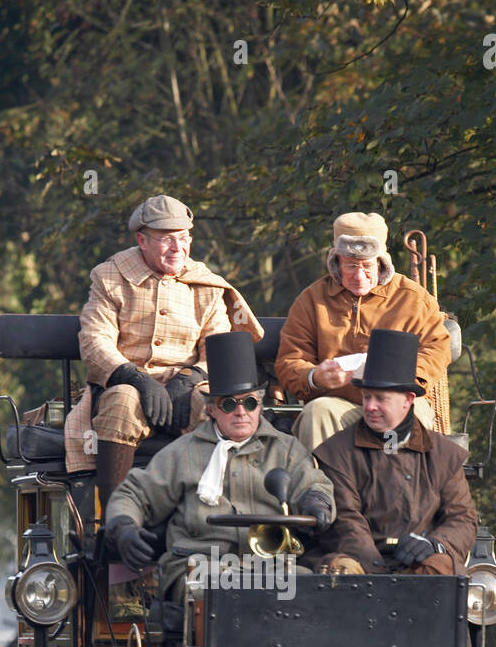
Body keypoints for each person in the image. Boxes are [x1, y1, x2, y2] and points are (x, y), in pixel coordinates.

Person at [64, 194, 263, 510]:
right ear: (141, 240)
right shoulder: (110, 276)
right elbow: (94, 341)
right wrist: (136, 379)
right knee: (121, 402)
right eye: (166, 240)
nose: (177, 248)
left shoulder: (207, 284)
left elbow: (218, 348)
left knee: (221, 408)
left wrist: (190, 378)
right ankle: (117, 523)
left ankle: (213, 521)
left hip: (188, 386)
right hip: (126, 383)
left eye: (183, 239)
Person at [104, 331, 335, 600]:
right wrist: (124, 527)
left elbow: (315, 484)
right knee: (219, 593)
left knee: (309, 592)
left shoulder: (286, 450)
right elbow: (134, 494)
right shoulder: (183, 453)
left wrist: (317, 502)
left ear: (259, 405)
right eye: (229, 404)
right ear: (211, 409)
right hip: (199, 566)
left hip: (272, 565)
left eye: (249, 403)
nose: (241, 412)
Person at [275, 212, 453, 450]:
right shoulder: (311, 300)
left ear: (381, 262)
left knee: (413, 411)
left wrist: (401, 381)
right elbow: (290, 359)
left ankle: (404, 486)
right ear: (336, 261)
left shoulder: (413, 298)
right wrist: (315, 376)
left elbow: (437, 349)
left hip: (397, 399)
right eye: (351, 266)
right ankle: (321, 487)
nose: (359, 276)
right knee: (316, 412)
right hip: (338, 404)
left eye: (367, 266)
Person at [309, 329, 477, 576]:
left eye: (380, 398)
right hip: (361, 567)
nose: (370, 407)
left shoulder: (445, 455)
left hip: (419, 567)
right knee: (340, 570)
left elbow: (462, 518)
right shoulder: (336, 452)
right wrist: (381, 578)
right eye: (366, 397)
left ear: (408, 400)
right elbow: (345, 522)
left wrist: (433, 544)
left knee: (441, 567)